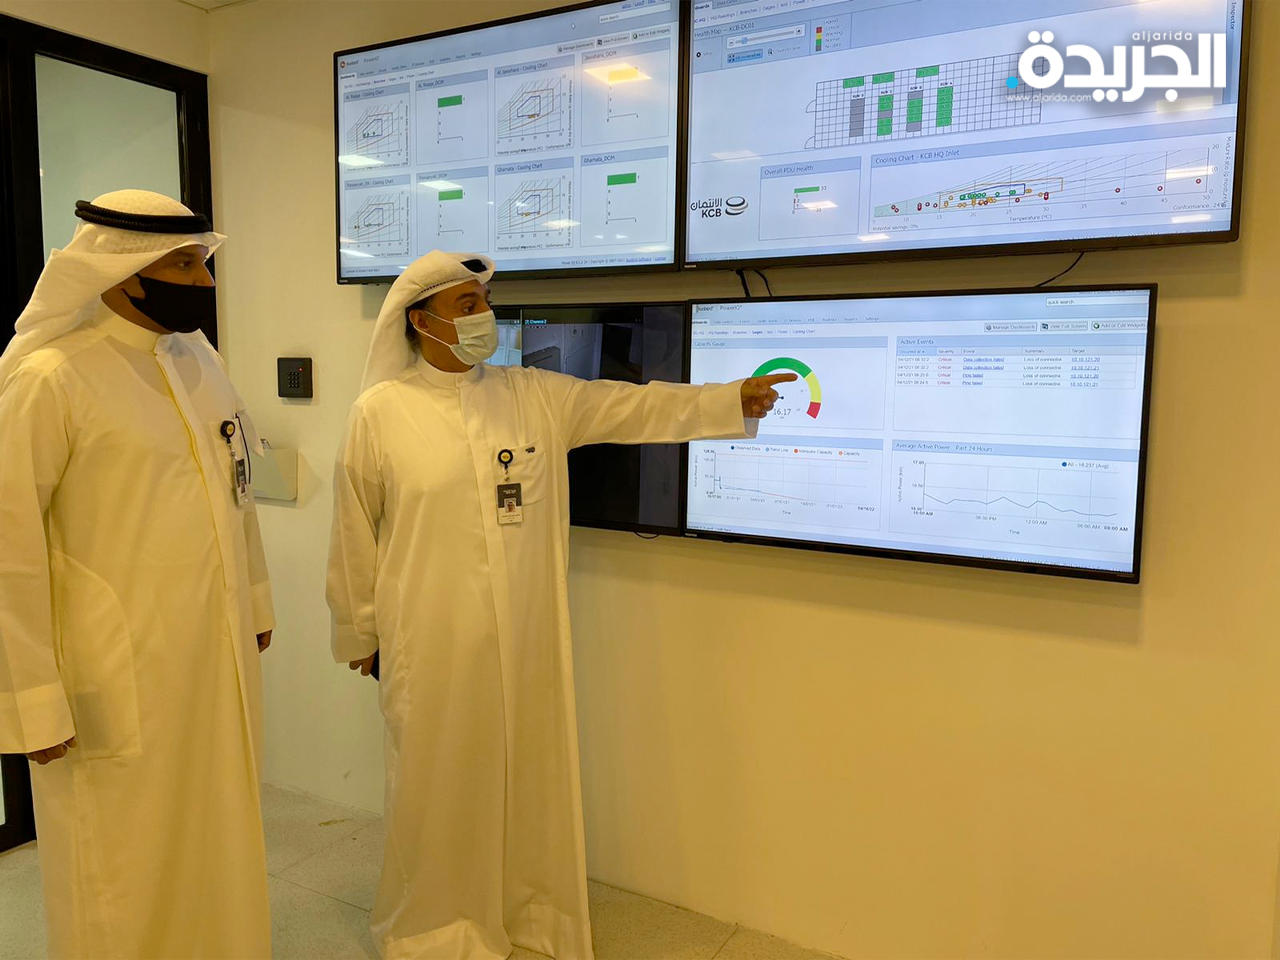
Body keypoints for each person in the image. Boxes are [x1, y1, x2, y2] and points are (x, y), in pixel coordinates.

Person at [326, 250, 794, 959]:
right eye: (466, 305)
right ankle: (434, 925)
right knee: (436, 785)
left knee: (529, 777)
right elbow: (352, 528)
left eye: (485, 302)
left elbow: (631, 406)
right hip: (429, 640)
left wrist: (730, 399)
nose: (483, 316)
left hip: (529, 636)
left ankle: (531, 912)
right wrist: (359, 630)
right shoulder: (380, 412)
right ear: (420, 321)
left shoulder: (534, 395)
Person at [0, 190, 276, 958]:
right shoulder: (52, 378)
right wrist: (29, 700)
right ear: (121, 270)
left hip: (211, 658)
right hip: (110, 672)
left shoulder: (200, 363)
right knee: (120, 866)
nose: (204, 282)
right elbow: (9, 548)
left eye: (203, 262)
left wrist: (254, 601)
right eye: (183, 265)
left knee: (217, 836)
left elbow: (238, 490)